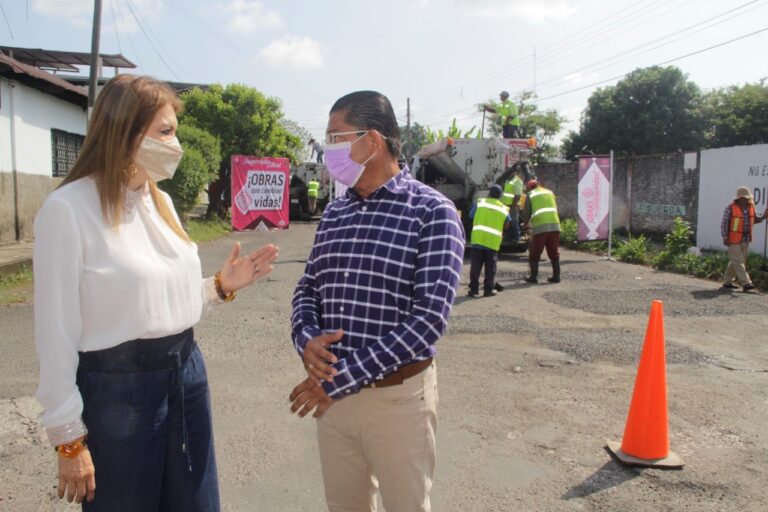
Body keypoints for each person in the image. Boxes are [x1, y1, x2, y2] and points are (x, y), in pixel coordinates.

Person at [33, 75, 279, 511]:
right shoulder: (68, 210)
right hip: (118, 389)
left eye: (174, 131)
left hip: (185, 372)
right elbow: (55, 331)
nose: (176, 143)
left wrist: (219, 287)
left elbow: (157, 298)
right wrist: (68, 437)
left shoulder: (160, 201)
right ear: (123, 133)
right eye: (165, 132)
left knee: (196, 503)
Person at [288, 91, 464, 512]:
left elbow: (428, 321)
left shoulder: (432, 213)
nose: (328, 149)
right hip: (333, 401)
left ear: (372, 141)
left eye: (336, 137)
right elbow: (307, 287)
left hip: (397, 401)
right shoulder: (334, 213)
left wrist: (341, 377)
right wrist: (306, 338)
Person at [721, 186, 767, 292]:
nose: (745, 200)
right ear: (738, 199)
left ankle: (727, 281)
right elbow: (724, 224)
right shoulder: (730, 208)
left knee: (737, 261)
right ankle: (746, 283)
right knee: (738, 260)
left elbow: (755, 219)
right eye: (743, 198)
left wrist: (764, 215)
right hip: (732, 239)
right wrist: (725, 237)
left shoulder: (750, 207)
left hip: (745, 239)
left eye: (746, 198)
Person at [468, 185, 511, 297]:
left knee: (475, 267)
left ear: (489, 193)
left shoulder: (480, 203)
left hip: (478, 240)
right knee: (490, 268)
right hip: (492, 242)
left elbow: (471, 215)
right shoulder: (503, 208)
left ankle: (473, 290)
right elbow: (507, 225)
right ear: (500, 196)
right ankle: (488, 290)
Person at [522, 179, 561, 284]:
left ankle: (533, 277)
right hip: (555, 226)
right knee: (554, 252)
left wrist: (525, 224)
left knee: (535, 253)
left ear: (530, 187)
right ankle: (556, 276)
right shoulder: (549, 192)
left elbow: (526, 213)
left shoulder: (531, 195)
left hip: (541, 227)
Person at [501, 166, 524, 242]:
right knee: (508, 221)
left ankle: (516, 237)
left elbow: (517, 195)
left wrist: (513, 206)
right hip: (507, 205)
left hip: (512, 205)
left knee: (514, 221)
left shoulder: (516, 181)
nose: (507, 172)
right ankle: (509, 237)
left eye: (508, 171)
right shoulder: (508, 180)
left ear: (513, 172)